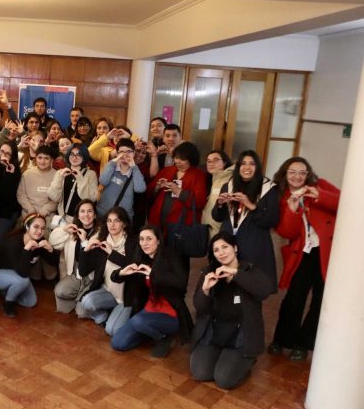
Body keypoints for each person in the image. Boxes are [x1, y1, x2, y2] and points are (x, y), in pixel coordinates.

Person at [268, 157, 340, 361]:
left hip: (328, 251)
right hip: (302, 252)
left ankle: (303, 344)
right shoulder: (281, 196)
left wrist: (320, 196)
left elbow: (347, 202)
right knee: (294, 297)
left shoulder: (320, 185)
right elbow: (286, 232)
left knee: (320, 299)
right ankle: (282, 339)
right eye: (292, 172)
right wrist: (292, 209)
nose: (297, 176)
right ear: (284, 174)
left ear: (308, 174)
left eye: (302, 172)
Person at [189, 232, 273, 390]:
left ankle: (247, 360)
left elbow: (265, 290)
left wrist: (236, 274)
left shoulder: (248, 269)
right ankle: (222, 357)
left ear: (235, 248)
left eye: (225, 247)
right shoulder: (209, 272)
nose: (221, 252)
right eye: (216, 250)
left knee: (224, 380)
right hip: (216, 331)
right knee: (200, 373)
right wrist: (205, 289)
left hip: (240, 335)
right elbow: (199, 306)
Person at [110, 224, 193, 357]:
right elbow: (114, 276)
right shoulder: (141, 257)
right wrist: (121, 273)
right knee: (118, 343)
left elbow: (181, 283)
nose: (144, 243)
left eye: (149, 239)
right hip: (148, 311)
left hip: (170, 313)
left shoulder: (172, 256)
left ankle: (163, 337)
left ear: (158, 240)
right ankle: (150, 332)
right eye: (141, 239)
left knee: (138, 321)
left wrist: (153, 274)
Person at [212, 150, 279, 291]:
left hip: (254, 244)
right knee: (226, 286)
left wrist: (250, 205)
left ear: (257, 167)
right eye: (243, 163)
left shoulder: (268, 188)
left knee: (251, 286)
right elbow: (217, 217)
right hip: (229, 243)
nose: (247, 167)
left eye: (251, 164)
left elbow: (271, 221)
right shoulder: (229, 185)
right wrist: (219, 204)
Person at [0, 213, 57, 317]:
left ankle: (5, 289)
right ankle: (8, 304)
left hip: (14, 270)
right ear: (27, 227)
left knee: (30, 302)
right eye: (36, 227)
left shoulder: (40, 240)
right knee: (22, 281)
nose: (39, 231)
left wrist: (50, 249)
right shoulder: (14, 243)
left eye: (42, 228)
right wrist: (26, 249)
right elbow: (23, 273)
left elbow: (53, 262)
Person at [76, 207, 135, 335]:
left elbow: (133, 266)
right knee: (85, 303)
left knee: (112, 330)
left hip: (125, 297)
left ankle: (119, 313)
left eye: (116, 221)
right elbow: (82, 271)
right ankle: (105, 315)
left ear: (124, 224)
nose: (112, 224)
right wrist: (86, 249)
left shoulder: (132, 242)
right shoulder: (103, 241)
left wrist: (112, 253)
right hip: (108, 291)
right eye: (109, 221)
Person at [148, 142, 207, 240]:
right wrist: (157, 187)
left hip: (180, 226)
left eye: (182, 159)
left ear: (191, 159)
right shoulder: (167, 170)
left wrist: (179, 192)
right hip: (157, 221)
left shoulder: (198, 175)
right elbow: (149, 193)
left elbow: (200, 202)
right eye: (176, 157)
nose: (178, 161)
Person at [49, 199, 98, 313]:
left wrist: (85, 241)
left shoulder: (100, 233)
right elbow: (52, 242)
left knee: (82, 312)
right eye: (82, 211)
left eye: (90, 211)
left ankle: (83, 300)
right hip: (76, 275)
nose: (86, 214)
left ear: (95, 215)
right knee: (60, 290)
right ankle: (80, 298)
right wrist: (64, 230)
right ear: (78, 216)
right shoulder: (73, 231)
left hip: (93, 277)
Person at [97, 138, 147, 222]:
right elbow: (103, 181)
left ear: (134, 153)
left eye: (129, 152)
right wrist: (113, 162)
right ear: (117, 153)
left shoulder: (135, 171)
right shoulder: (111, 166)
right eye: (121, 152)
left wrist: (134, 167)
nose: (125, 154)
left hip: (122, 219)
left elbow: (140, 189)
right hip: (103, 214)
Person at [47, 143, 99, 223]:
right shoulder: (60, 172)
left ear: (84, 157)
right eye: (72, 154)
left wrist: (80, 179)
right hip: (62, 218)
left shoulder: (90, 174)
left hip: (81, 220)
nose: (74, 157)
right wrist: (59, 178)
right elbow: (54, 197)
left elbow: (91, 199)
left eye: (79, 155)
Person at [0, 141, 22, 247]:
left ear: (12, 157)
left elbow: (6, 196)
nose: (3, 155)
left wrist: (8, 175)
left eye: (7, 154)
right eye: (2, 151)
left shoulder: (14, 171)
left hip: (6, 213)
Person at [16, 145, 58, 222]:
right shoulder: (27, 174)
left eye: (46, 158)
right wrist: (30, 210)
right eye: (40, 158)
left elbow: (57, 199)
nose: (42, 161)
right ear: (36, 158)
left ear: (52, 160)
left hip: (48, 217)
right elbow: (21, 194)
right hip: (28, 215)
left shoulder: (57, 176)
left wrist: (43, 211)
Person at [201, 150, 234, 238]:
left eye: (216, 160)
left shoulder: (229, 180)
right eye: (208, 161)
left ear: (225, 162)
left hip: (219, 230)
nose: (211, 164)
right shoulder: (214, 179)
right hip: (209, 227)